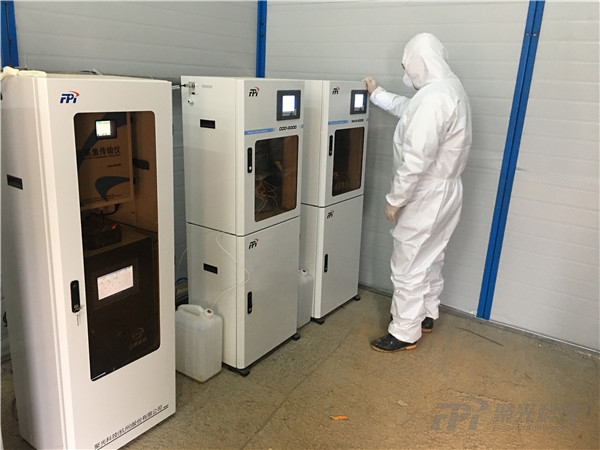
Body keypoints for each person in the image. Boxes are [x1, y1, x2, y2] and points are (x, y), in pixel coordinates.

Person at [364, 33, 472, 352]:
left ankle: (404, 331)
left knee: (408, 263)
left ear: (418, 61)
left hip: (426, 194)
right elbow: (409, 108)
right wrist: (378, 94)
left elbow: (416, 160)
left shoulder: (435, 98)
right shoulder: (448, 88)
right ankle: (425, 314)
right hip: (447, 191)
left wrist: (395, 201)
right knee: (431, 256)